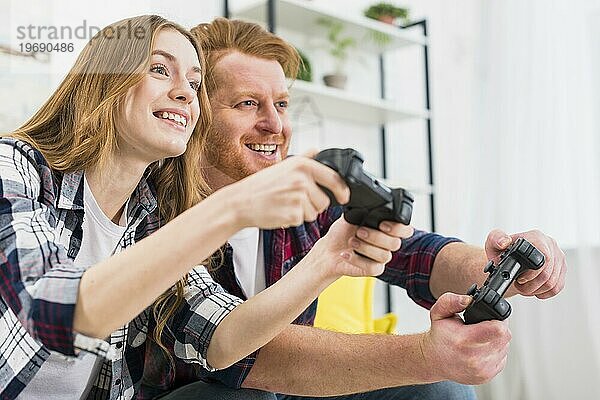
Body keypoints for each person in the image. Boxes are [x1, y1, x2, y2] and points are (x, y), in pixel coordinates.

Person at [0, 15, 407, 400]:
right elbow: (53, 310)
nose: (184, 93)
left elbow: (222, 340)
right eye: (161, 70)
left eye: (194, 84)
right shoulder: (15, 166)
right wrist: (234, 206)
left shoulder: (148, 215)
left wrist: (326, 261)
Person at [174, 18, 566, 400]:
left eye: (281, 104)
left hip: (286, 388)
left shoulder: (306, 191)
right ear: (197, 113)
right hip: (210, 388)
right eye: (248, 104)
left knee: (443, 390)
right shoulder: (160, 205)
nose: (275, 124)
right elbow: (242, 357)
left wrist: (502, 266)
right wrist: (427, 355)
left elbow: (418, 256)